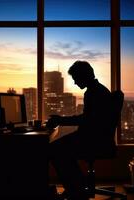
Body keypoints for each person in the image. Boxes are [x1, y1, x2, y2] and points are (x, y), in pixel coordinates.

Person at [47, 60, 115, 200]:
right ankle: (76, 187)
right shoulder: (99, 89)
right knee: (60, 145)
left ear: (83, 76)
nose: (75, 83)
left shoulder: (93, 92)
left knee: (55, 148)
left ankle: (75, 189)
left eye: (75, 79)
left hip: (95, 140)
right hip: (99, 138)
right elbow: (89, 119)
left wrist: (61, 120)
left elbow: (86, 120)